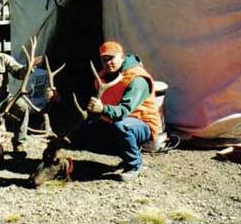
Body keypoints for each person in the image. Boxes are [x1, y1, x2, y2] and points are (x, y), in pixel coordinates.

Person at [47, 40, 162, 181]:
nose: (107, 62)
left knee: (121, 126)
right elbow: (85, 100)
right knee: (82, 134)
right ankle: (126, 153)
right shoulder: (102, 77)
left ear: (122, 57)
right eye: (104, 59)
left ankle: (134, 165)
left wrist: (102, 108)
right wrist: (60, 97)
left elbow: (124, 110)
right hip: (112, 120)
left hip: (142, 125)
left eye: (111, 58)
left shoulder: (137, 79)